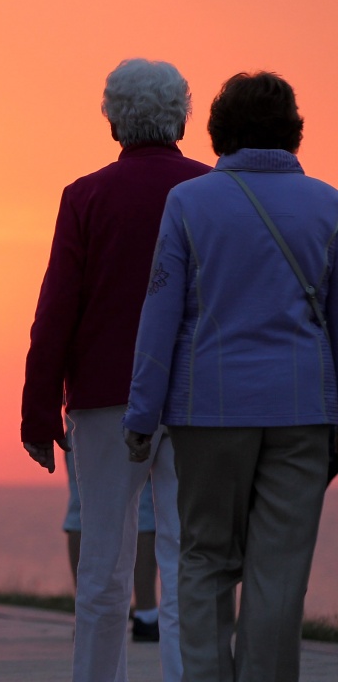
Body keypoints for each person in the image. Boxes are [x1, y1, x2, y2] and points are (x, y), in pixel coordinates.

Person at [124, 71, 338, 682]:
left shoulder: (190, 203)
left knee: (204, 558)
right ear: (293, 130)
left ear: (220, 132)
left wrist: (142, 415)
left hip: (208, 410)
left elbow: (161, 315)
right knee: (280, 571)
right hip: (302, 409)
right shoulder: (329, 204)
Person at [21, 59, 208, 682]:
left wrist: (38, 409)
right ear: (181, 114)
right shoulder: (209, 193)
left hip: (104, 399)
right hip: (195, 398)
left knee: (103, 563)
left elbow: (57, 308)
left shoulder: (86, 196)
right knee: (190, 561)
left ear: (112, 119)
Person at [62, 446, 160, 641]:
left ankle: (87, 614)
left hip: (83, 417)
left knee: (83, 501)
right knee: (142, 501)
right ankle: (146, 615)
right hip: (134, 417)